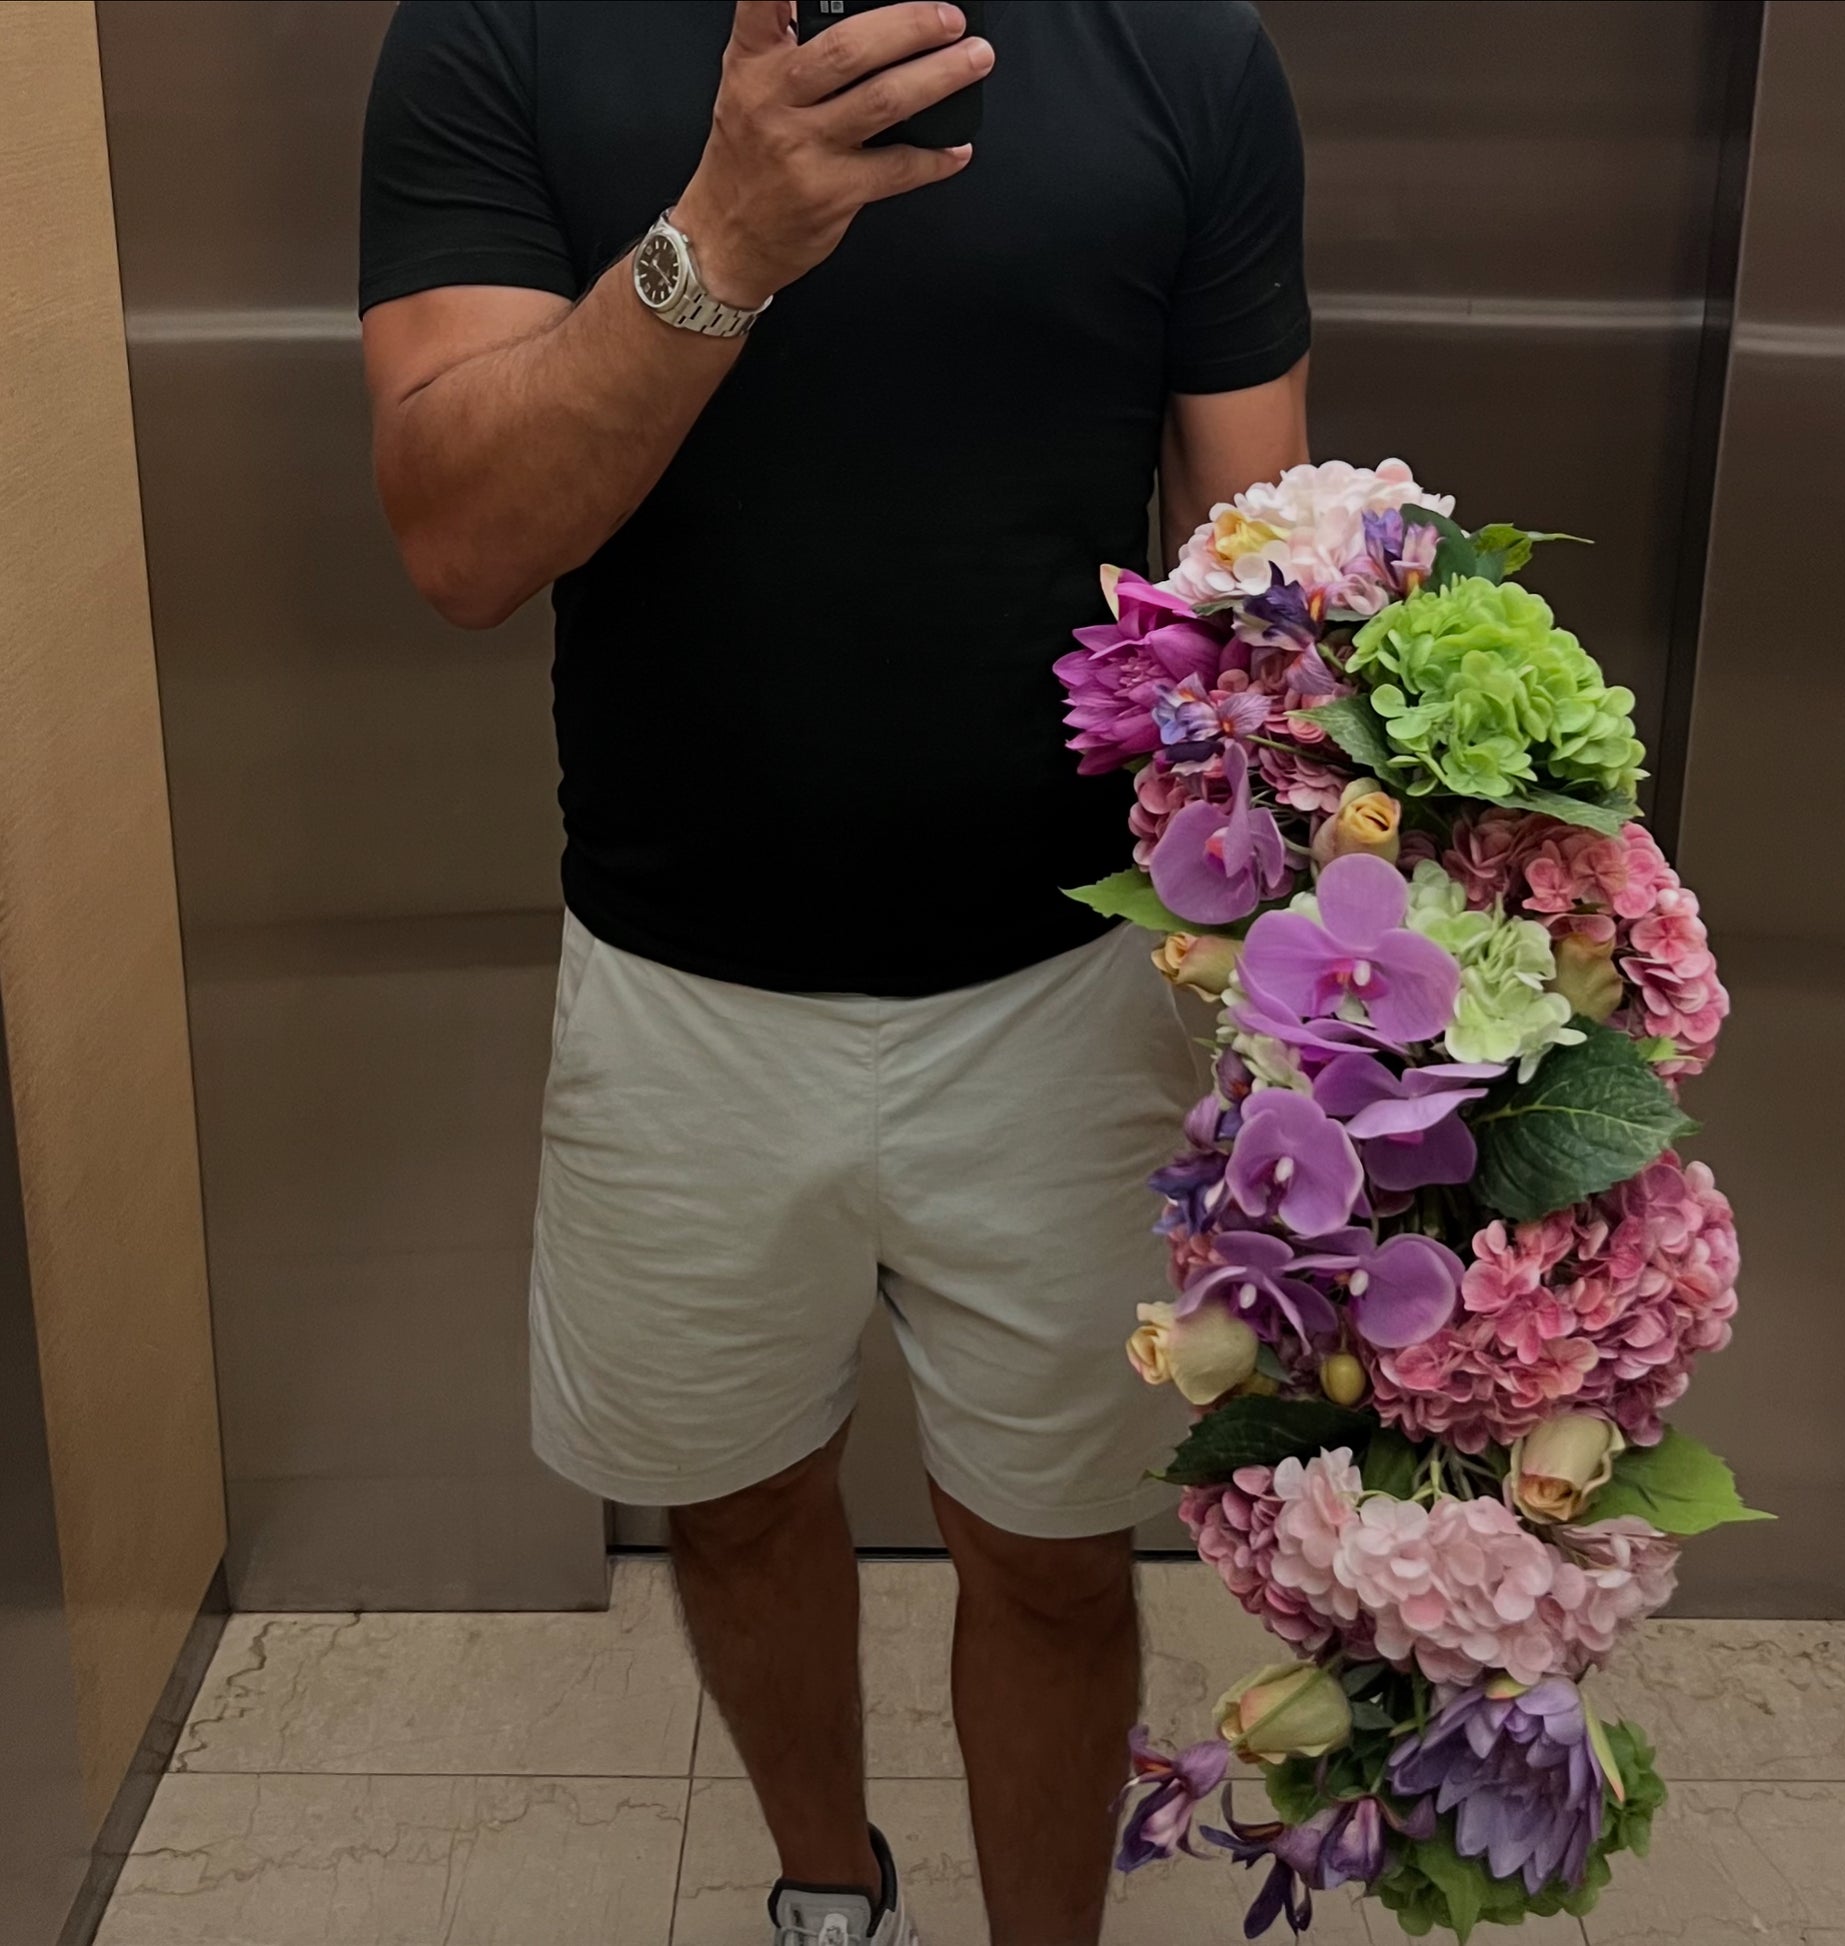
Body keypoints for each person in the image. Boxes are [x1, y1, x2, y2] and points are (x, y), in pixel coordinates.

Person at [358, 3, 1308, 1940]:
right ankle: (825, 1895)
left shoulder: (1181, 48)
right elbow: (459, 546)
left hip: (1067, 980)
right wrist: (716, 241)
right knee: (723, 1501)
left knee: (1055, 1553)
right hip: (675, 976)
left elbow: (1265, 584)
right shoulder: (496, 28)